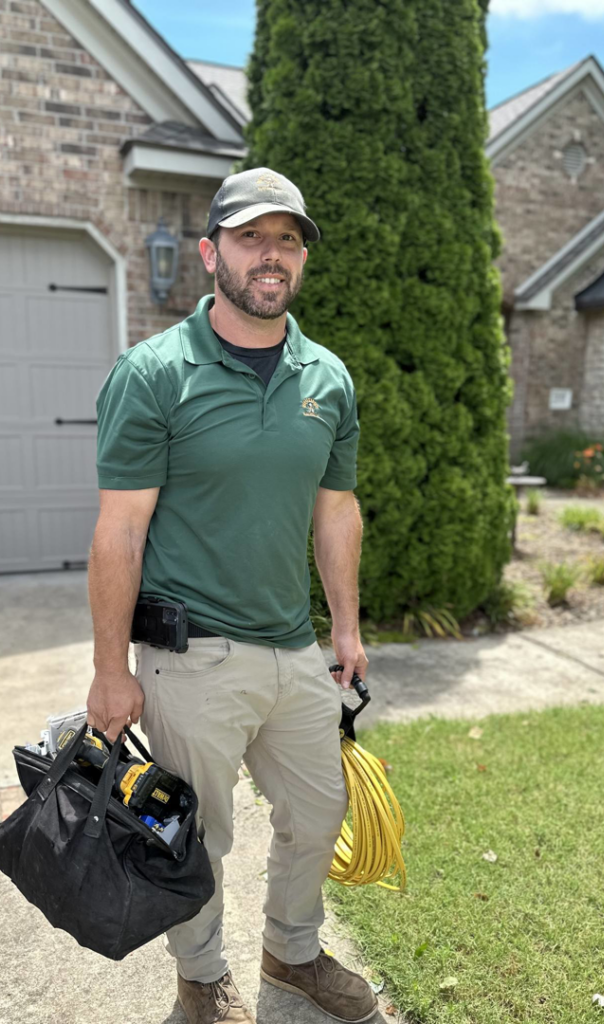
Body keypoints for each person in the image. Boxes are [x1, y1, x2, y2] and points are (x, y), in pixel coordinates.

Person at [86, 167, 377, 1024]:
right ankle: (201, 981)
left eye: (287, 240)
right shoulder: (153, 374)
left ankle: (291, 953)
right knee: (195, 837)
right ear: (212, 251)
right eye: (253, 237)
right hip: (192, 656)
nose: (272, 255)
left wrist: (347, 628)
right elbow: (119, 533)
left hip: (292, 648)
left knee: (319, 814)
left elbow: (336, 511)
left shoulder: (327, 377)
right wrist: (111, 669)